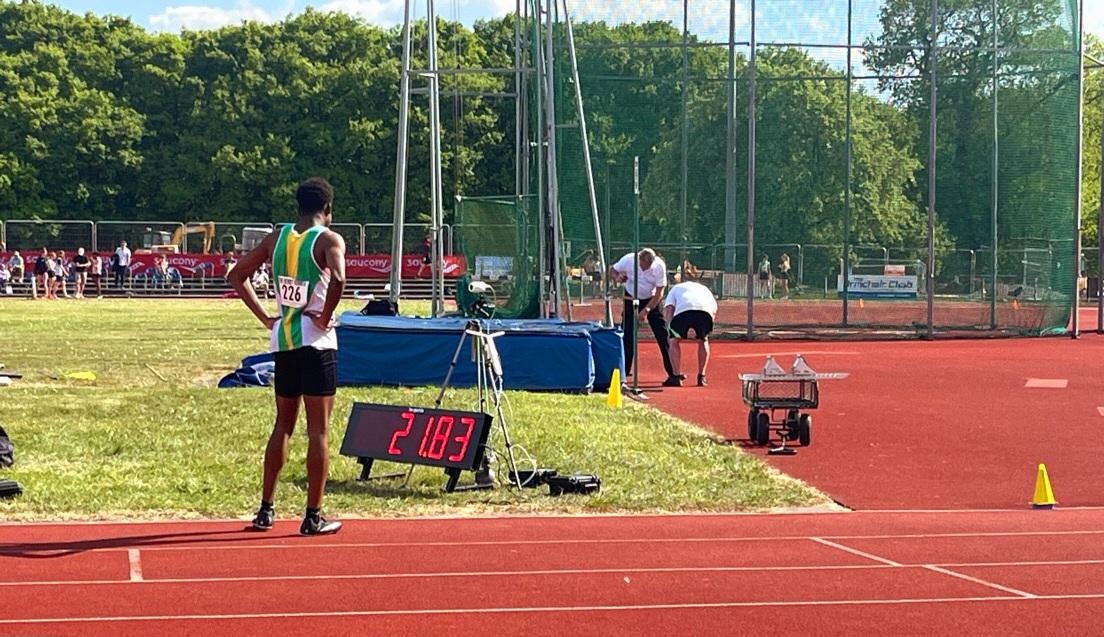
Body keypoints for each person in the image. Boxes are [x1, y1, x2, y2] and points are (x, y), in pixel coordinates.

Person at [228, 177, 346, 537]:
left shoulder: (276, 238)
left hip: (284, 342)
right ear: (328, 209)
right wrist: (325, 317)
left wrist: (266, 317)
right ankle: (313, 516)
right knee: (319, 431)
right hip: (318, 343)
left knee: (283, 425)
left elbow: (237, 276)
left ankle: (266, 509)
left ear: (298, 206)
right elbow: (339, 279)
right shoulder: (329, 239)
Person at [609, 248, 675, 381]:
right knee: (628, 335)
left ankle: (673, 372)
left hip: (651, 300)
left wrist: (647, 310)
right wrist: (617, 277)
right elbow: (612, 269)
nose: (645, 269)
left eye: (648, 266)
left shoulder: (659, 266)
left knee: (662, 334)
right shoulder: (628, 260)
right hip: (631, 297)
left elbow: (659, 293)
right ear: (638, 259)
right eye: (642, 265)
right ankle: (624, 372)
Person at [662, 280, 718, 387]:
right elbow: (714, 309)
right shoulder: (704, 288)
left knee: (674, 341)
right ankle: (702, 377)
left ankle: (676, 377)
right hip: (704, 312)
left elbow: (669, 308)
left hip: (683, 312)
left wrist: (671, 329)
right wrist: (706, 330)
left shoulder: (675, 289)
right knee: (703, 340)